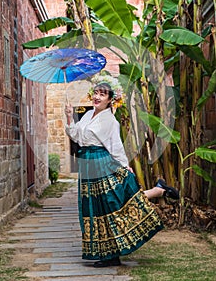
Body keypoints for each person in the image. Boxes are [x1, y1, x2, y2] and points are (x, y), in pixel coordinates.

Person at [65, 82, 179, 268]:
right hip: (87, 165)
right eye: (95, 93)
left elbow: (115, 146)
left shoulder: (110, 121)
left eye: (102, 94)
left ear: (110, 100)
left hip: (102, 162)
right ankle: (109, 253)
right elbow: (77, 137)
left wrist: (125, 166)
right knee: (95, 208)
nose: (97, 97)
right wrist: (69, 117)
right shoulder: (87, 115)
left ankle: (158, 192)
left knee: (112, 204)